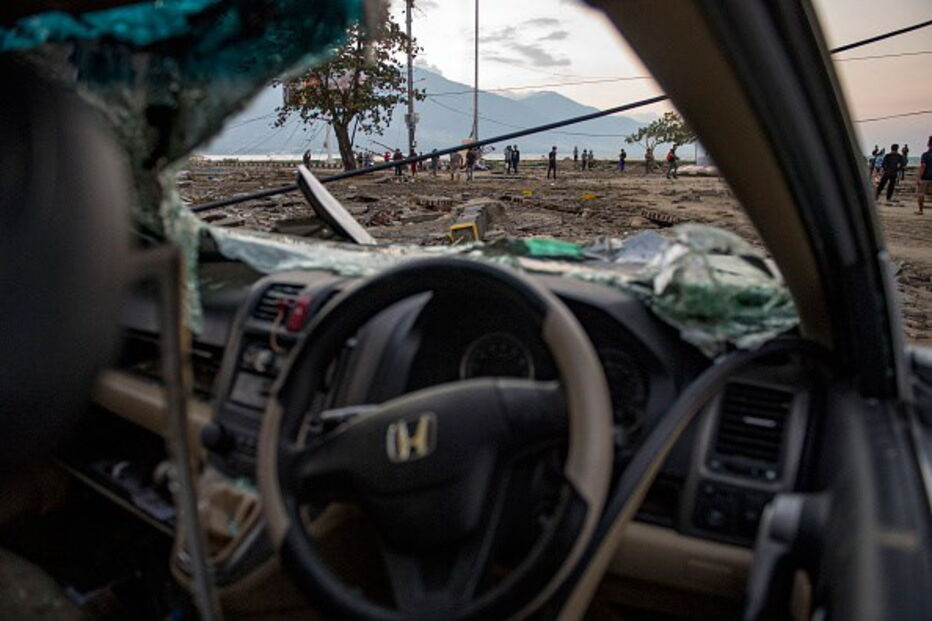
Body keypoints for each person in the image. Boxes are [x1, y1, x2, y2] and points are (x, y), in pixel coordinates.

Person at [916, 136, 931, 215]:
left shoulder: (925, 155)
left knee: (921, 194)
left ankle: (920, 210)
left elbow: (923, 166)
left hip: (925, 177)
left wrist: (919, 177)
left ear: (928, 144)